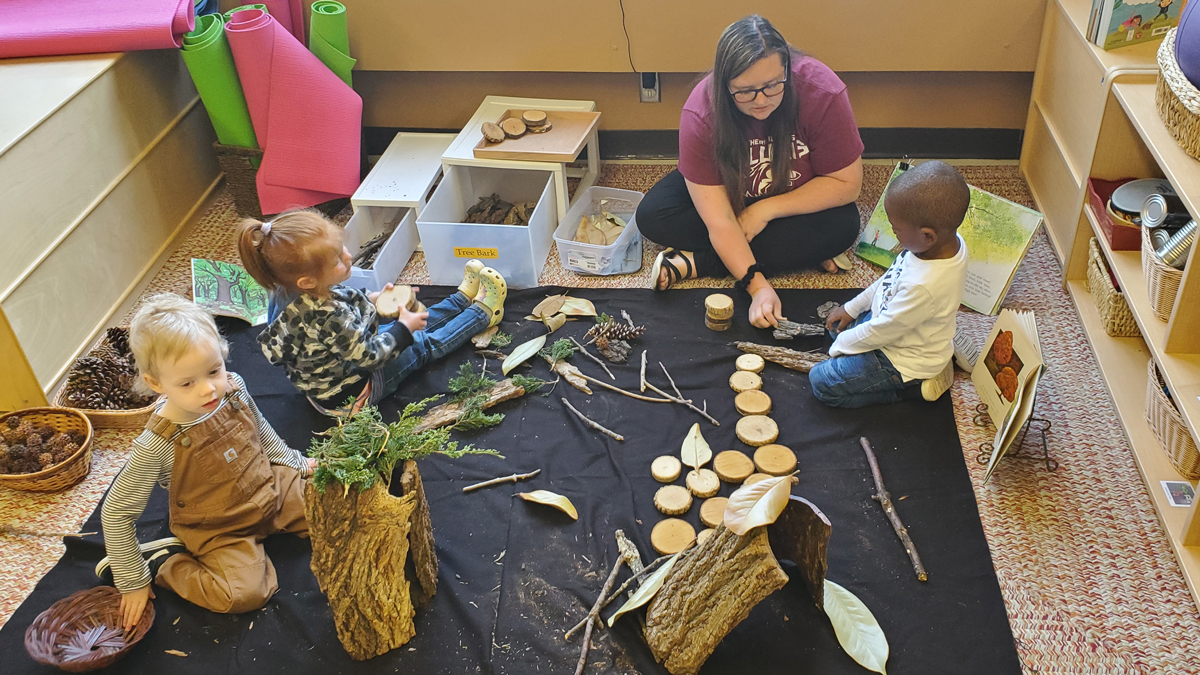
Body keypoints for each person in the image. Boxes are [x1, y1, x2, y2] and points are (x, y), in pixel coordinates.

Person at [97, 293, 316, 630]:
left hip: (269, 489)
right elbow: (115, 513)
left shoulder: (233, 388)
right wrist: (132, 579)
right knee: (243, 595)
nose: (208, 390)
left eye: (213, 370)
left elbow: (262, 432)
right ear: (155, 383)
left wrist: (294, 462)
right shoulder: (156, 444)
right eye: (187, 383)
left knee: (335, 501)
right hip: (219, 529)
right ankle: (167, 564)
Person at [636, 14, 864, 328]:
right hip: (731, 196)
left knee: (845, 225)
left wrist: (765, 210)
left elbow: (847, 184)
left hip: (793, 197)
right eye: (744, 91)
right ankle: (796, 253)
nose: (761, 101)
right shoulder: (700, 112)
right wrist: (758, 287)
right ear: (723, 84)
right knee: (653, 215)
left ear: (787, 68)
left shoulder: (823, 92)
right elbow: (720, 221)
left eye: (772, 86)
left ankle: (698, 262)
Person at [237, 209, 506, 415]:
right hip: (354, 392)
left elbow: (340, 298)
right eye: (336, 260)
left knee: (404, 326)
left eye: (340, 249)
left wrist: (372, 300)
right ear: (307, 281)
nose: (347, 257)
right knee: (421, 343)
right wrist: (404, 329)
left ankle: (460, 299)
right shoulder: (327, 316)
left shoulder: (288, 289)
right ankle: (482, 314)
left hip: (337, 370)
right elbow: (370, 357)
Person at [810, 161, 970, 408]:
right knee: (836, 330)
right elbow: (889, 280)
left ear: (928, 236)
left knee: (822, 382)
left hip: (901, 359)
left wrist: (841, 347)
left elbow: (883, 330)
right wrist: (852, 308)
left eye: (896, 229)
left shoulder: (924, 287)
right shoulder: (940, 244)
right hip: (895, 327)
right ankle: (937, 360)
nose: (892, 232)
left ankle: (912, 390)